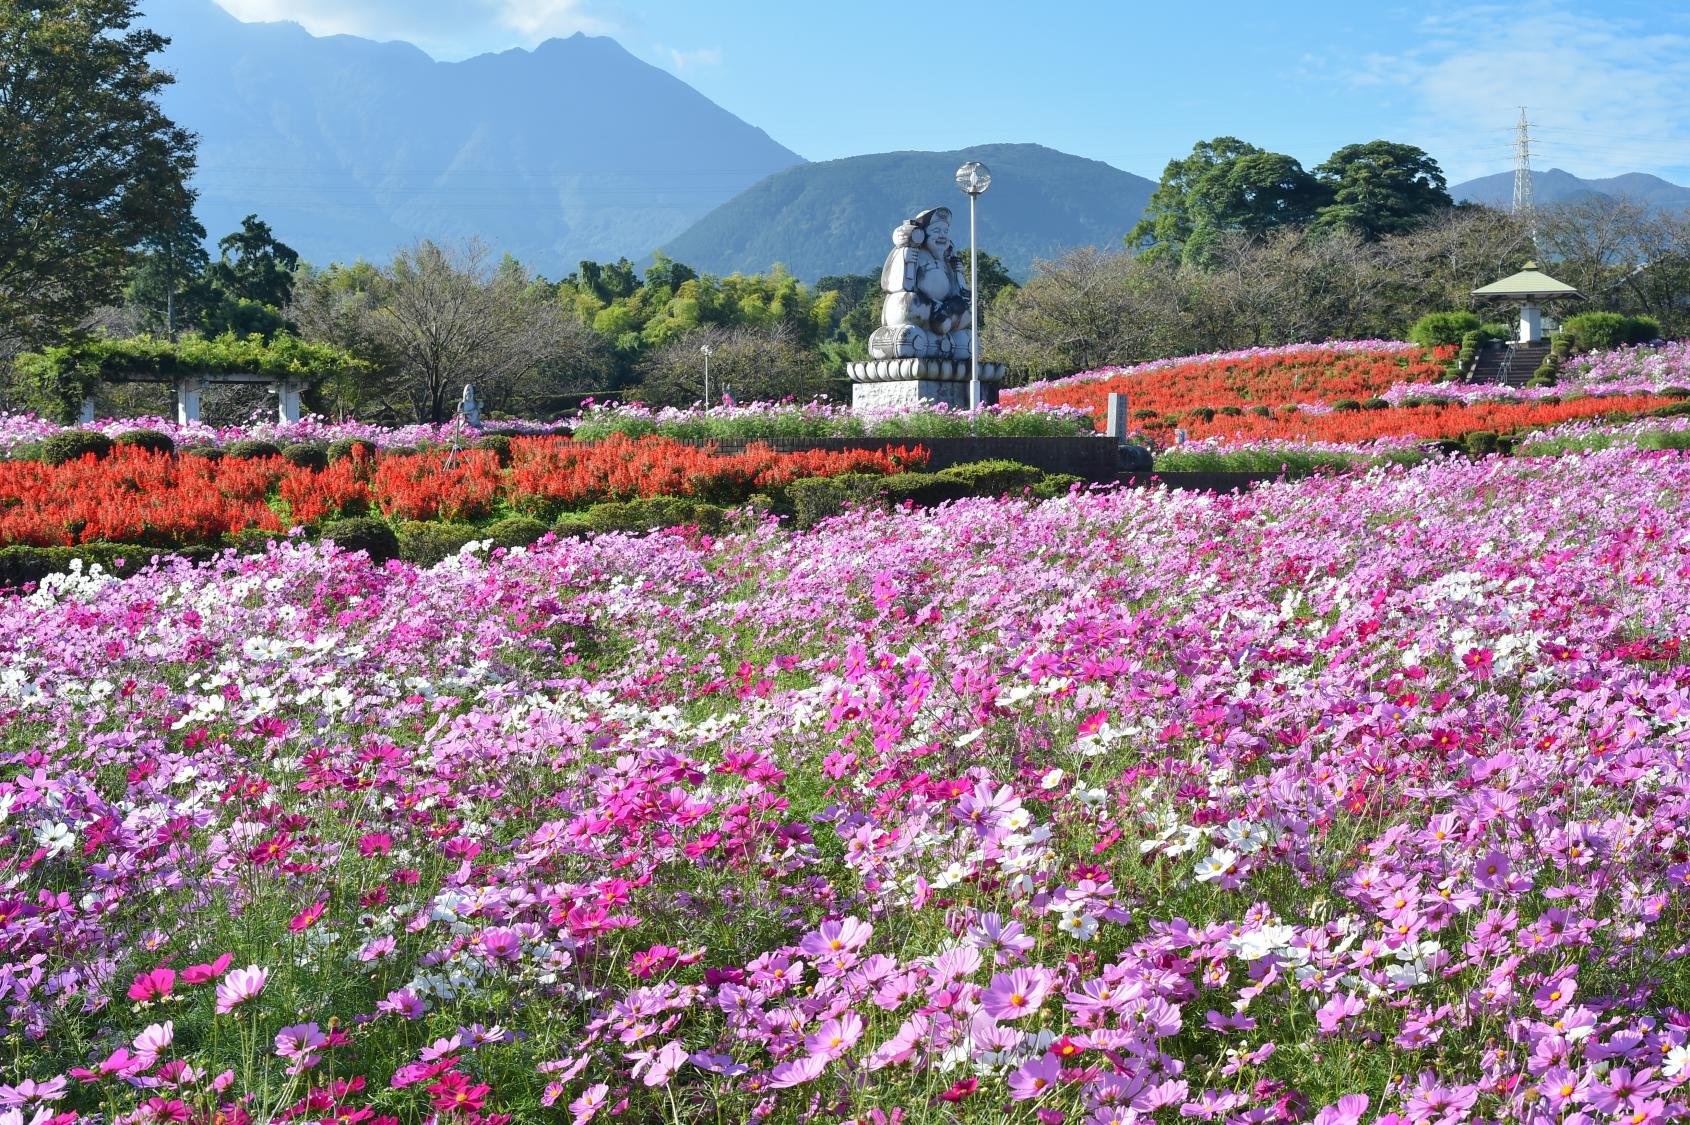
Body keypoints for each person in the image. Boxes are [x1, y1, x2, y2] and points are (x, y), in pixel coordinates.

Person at [869, 207, 973, 359]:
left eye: (945, 231)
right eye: (937, 231)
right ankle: (937, 324)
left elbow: (957, 292)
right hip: (922, 308)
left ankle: (942, 323)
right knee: (911, 302)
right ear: (923, 233)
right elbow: (894, 286)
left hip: (943, 309)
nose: (942, 236)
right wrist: (905, 258)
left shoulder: (947, 258)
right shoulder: (914, 252)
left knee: (968, 307)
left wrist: (958, 273)